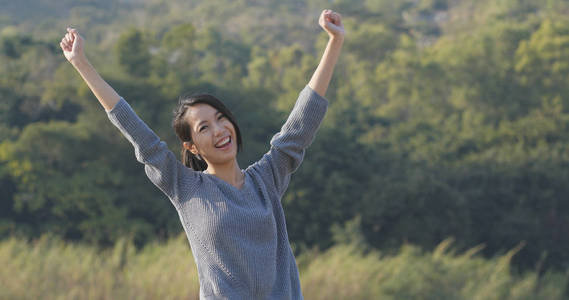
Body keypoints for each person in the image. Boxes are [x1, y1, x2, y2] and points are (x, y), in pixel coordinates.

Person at [60, 9, 344, 300]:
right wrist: (81, 64)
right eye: (204, 127)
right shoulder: (186, 188)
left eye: (221, 119)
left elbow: (302, 121)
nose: (219, 130)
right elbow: (135, 130)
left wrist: (334, 42)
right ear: (191, 147)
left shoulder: (266, 180)